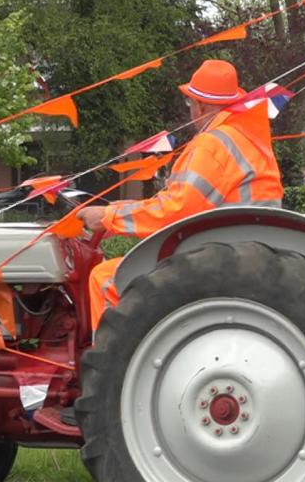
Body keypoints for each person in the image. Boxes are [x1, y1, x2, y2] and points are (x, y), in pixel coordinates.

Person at [77, 59, 284, 328]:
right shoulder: (246, 138)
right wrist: (117, 211)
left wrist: (108, 217)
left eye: (189, 103)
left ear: (200, 106)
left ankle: (110, 368)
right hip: (243, 253)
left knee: (105, 278)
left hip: (220, 260)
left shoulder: (213, 144)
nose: (190, 110)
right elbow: (183, 201)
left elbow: (175, 211)